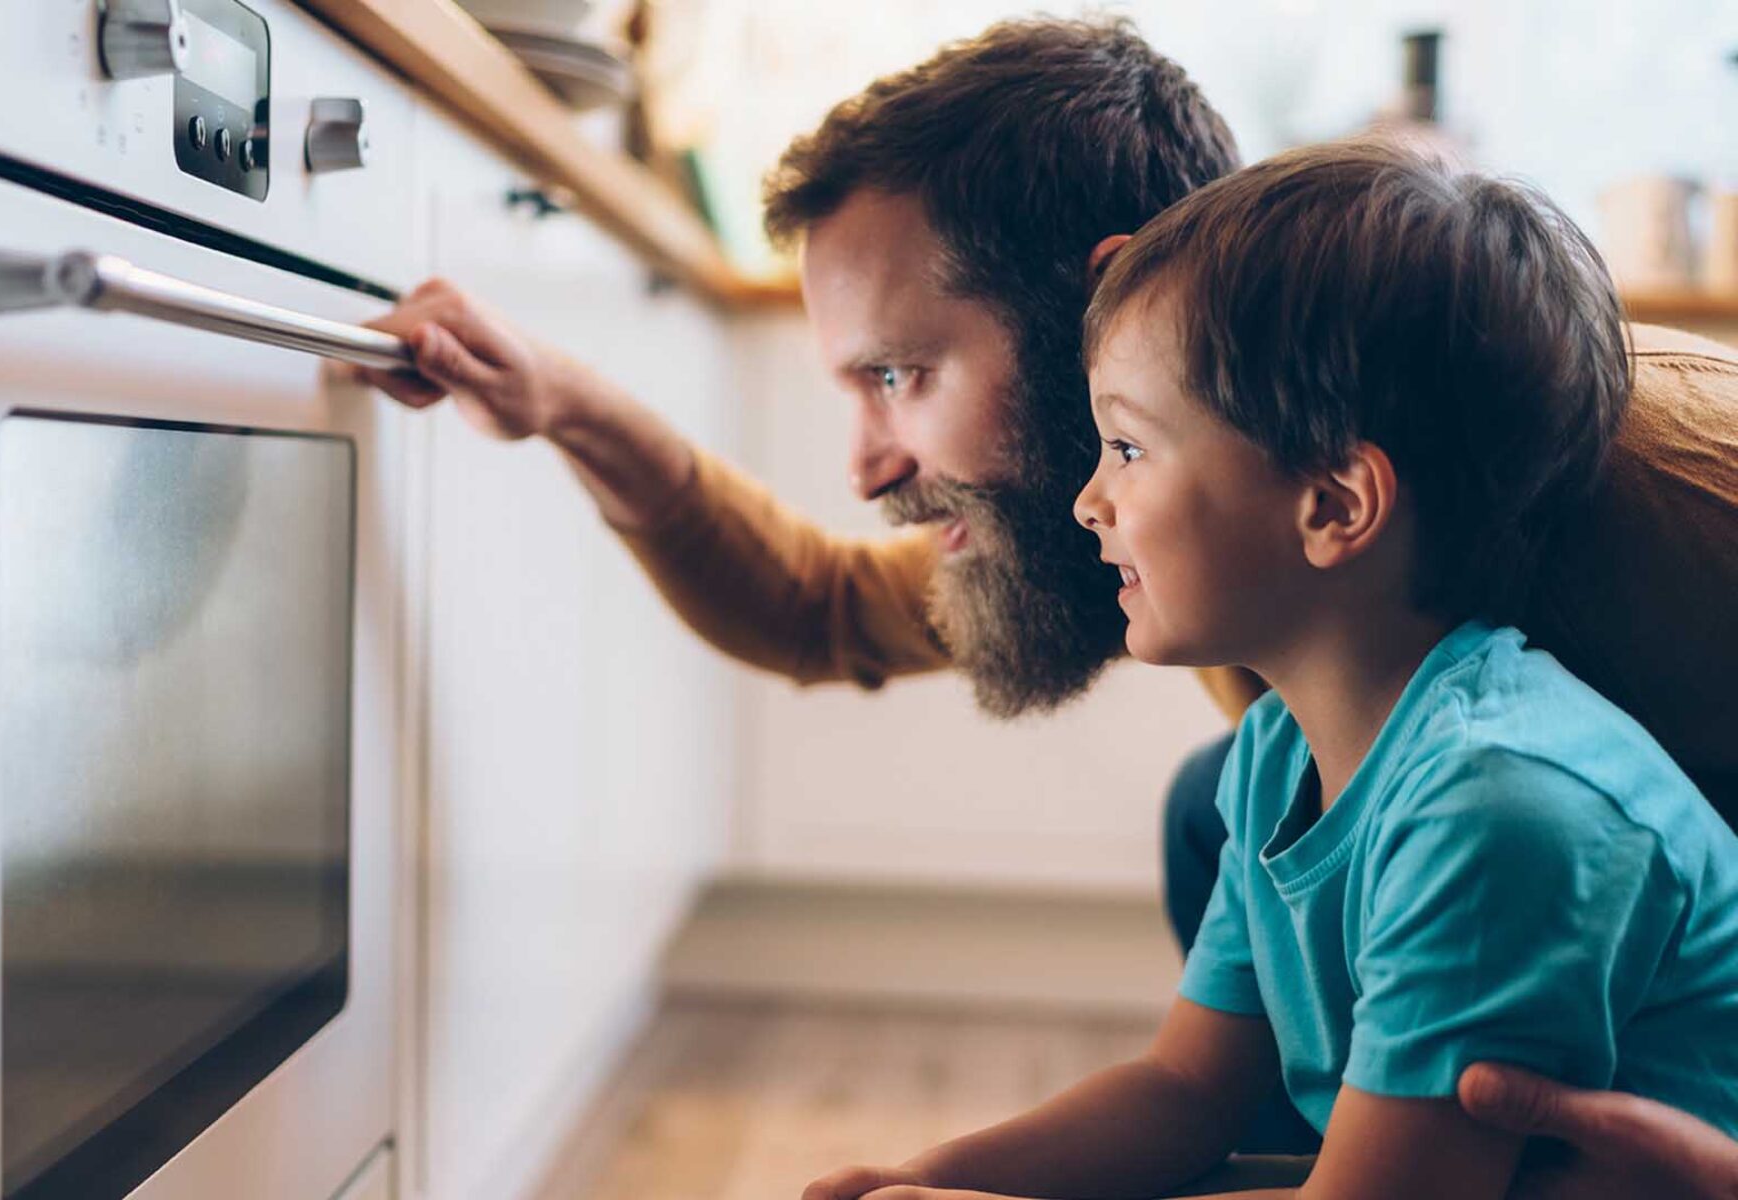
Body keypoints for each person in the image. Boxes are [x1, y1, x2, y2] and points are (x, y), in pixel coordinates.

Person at [356, 18, 1738, 1195]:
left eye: (899, 374)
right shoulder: (1213, 533)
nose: (867, 464)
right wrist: (563, 402)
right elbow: (817, 607)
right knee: (1221, 808)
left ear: (1098, 302)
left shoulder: (1664, 503)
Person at [803, 139, 1738, 1200]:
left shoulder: (1499, 809)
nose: (1088, 501)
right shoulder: (1280, 750)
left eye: (1131, 448)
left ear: (1335, 507)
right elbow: (1185, 1091)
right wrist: (922, 1176)